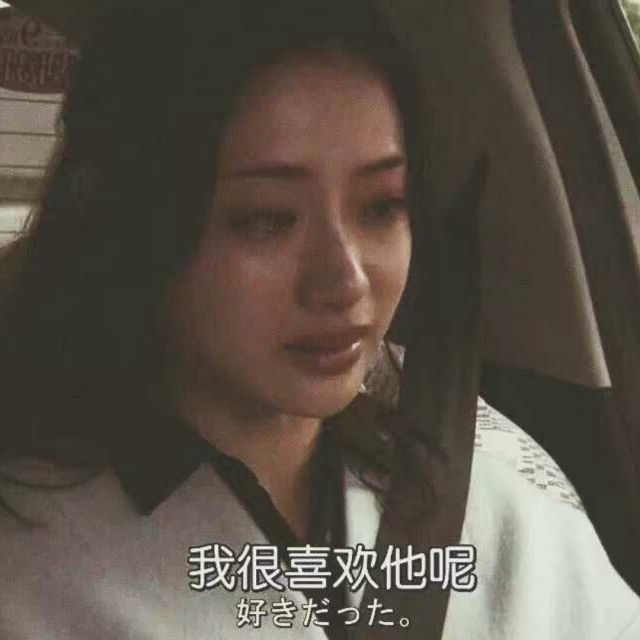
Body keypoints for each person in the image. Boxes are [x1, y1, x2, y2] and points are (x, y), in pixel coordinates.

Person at [0, 1, 638, 638]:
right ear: (128, 223)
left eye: (382, 206)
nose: (346, 281)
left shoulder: (497, 490)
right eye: (269, 219)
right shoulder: (35, 564)